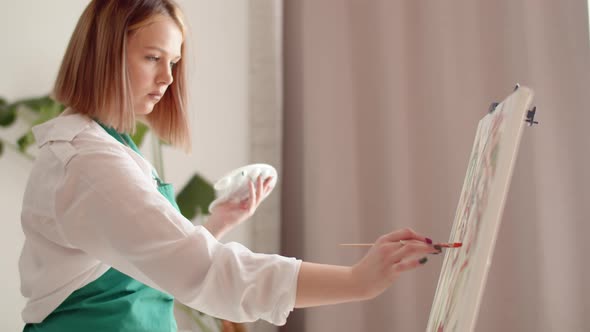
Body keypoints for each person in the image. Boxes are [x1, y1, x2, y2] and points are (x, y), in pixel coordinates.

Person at [18, 0, 441, 331]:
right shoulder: (89, 163)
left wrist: (217, 224)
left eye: (174, 63)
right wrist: (355, 282)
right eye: (152, 58)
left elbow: (146, 261)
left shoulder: (105, 146)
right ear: (105, 52)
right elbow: (205, 272)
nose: (167, 79)